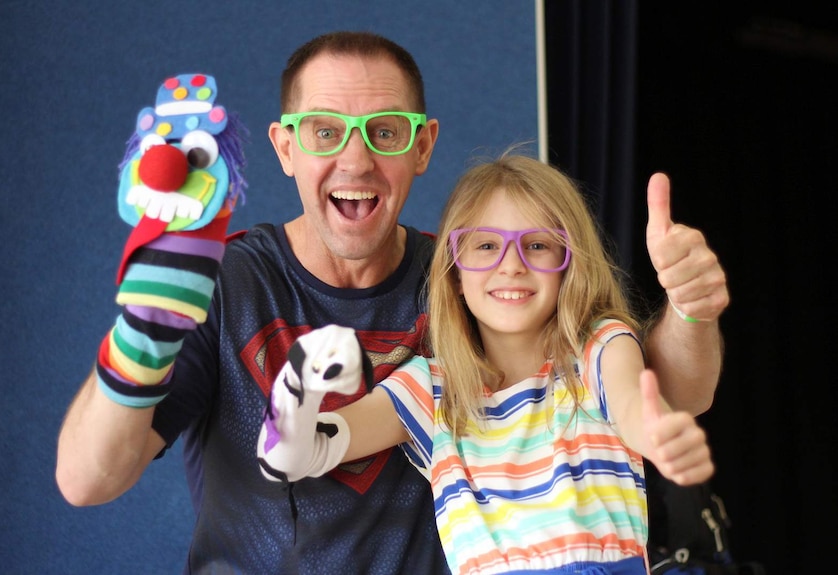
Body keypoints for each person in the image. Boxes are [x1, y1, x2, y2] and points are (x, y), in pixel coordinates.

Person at [56, 31, 728, 574]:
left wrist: (690, 309)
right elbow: (86, 480)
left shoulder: (473, 283)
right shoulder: (222, 281)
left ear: (423, 145)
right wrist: (142, 338)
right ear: (285, 147)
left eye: (385, 131)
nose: (355, 158)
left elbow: (663, 393)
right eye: (325, 131)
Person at [257, 152, 715, 574]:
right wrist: (297, 387)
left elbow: (632, 408)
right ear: (454, 273)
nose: (511, 264)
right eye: (484, 247)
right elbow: (294, 455)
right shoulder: (433, 390)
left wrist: (656, 436)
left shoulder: (598, 346)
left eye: (537, 244)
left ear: (568, 262)